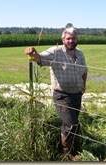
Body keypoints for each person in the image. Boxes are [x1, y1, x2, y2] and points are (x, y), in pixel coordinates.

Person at [24, 27, 88, 160]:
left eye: (73, 38)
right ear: (63, 39)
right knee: (70, 124)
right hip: (62, 96)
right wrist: (33, 52)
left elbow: (84, 70)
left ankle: (77, 148)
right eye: (68, 38)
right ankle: (67, 153)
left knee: (74, 122)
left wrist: (83, 85)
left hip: (77, 94)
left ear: (77, 39)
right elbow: (40, 58)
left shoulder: (80, 54)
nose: (71, 40)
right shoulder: (56, 52)